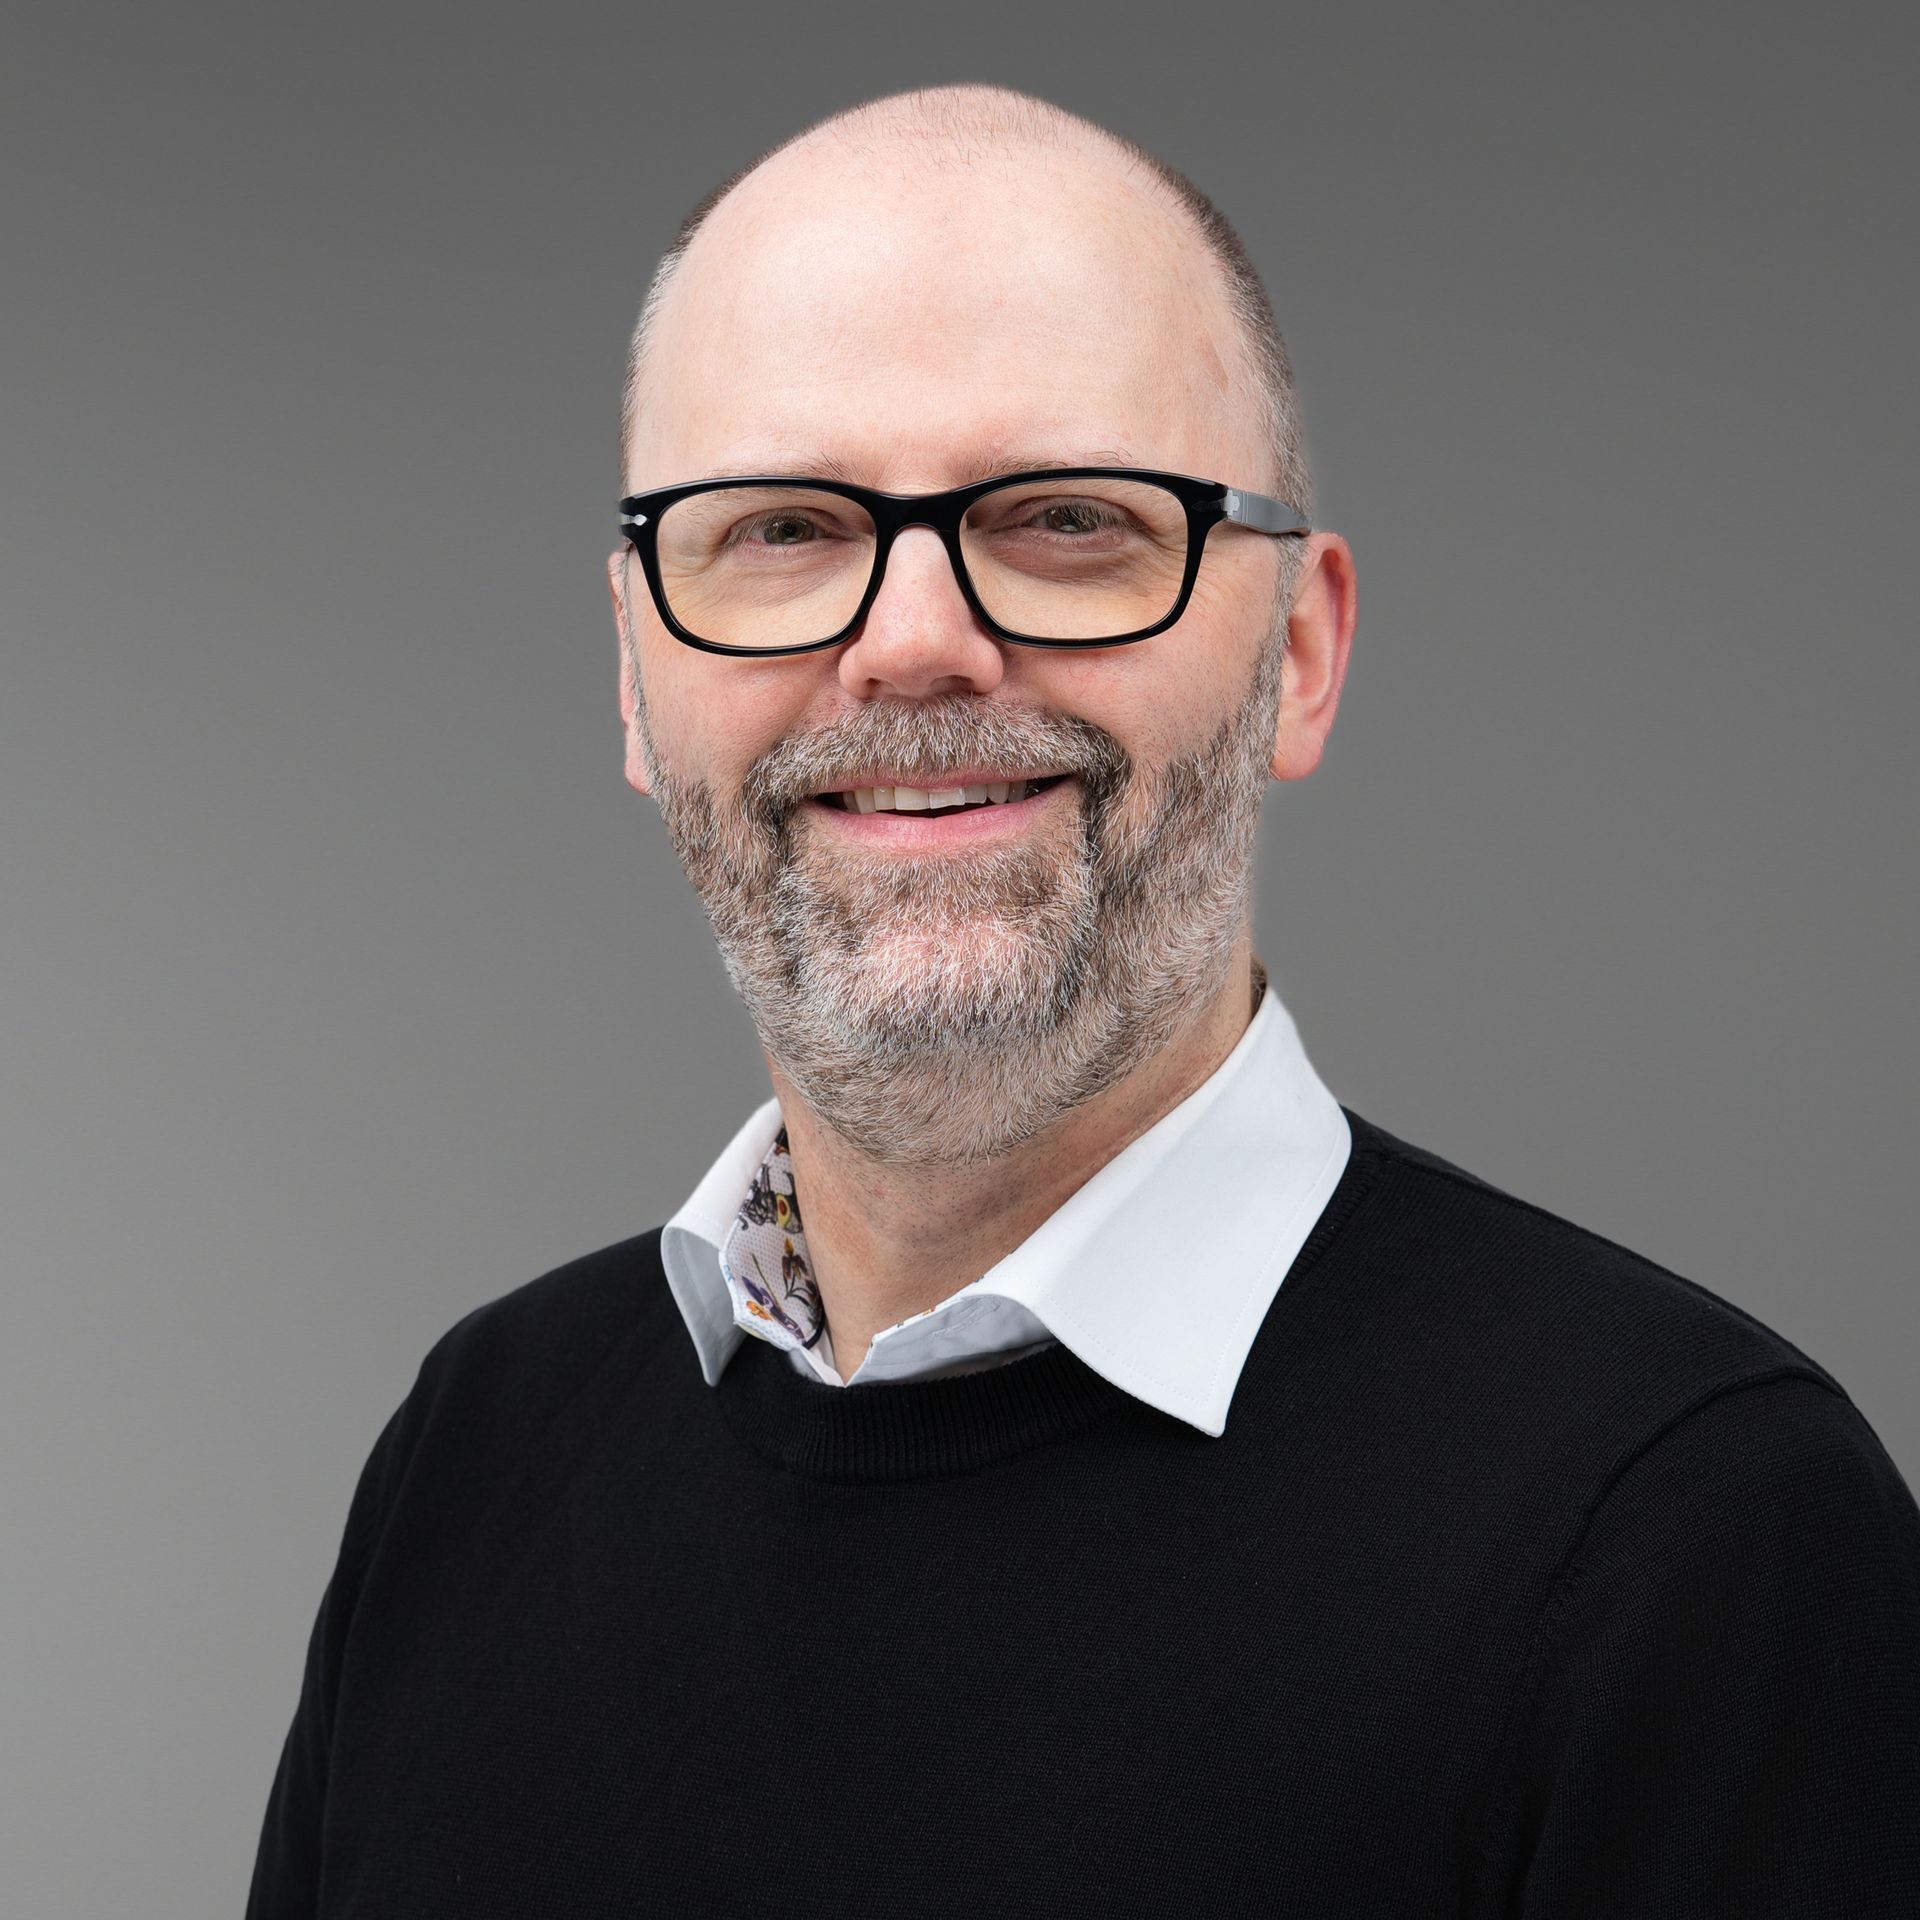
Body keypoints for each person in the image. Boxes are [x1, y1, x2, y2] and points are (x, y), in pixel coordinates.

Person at [248, 84, 1920, 1917]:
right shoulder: (473, 1455)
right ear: (638, 684)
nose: (909, 641)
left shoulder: (1692, 1540)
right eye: (784, 529)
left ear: (1297, 653)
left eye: (1062, 518)